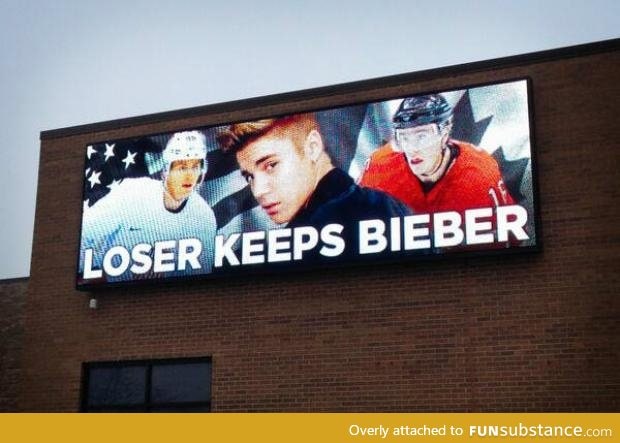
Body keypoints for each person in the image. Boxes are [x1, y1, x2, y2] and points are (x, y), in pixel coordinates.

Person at [216, 113, 412, 261]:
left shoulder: (348, 217)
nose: (258, 190)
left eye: (271, 165)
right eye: (249, 176)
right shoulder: (380, 204)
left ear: (312, 147)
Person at [79, 130, 217, 283]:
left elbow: (198, 279)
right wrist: (96, 276)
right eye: (182, 167)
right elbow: (84, 235)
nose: (189, 175)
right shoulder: (134, 191)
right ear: (166, 171)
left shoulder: (205, 217)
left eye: (195, 166)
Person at [360, 94, 514, 215]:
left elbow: (505, 243)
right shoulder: (379, 167)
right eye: (405, 137)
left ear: (445, 133)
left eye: (422, 136)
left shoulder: (477, 176)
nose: (413, 149)